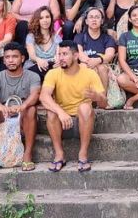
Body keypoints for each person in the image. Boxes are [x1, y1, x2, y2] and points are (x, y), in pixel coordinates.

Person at [40, 41, 106, 173]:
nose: (61, 58)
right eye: (59, 54)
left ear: (76, 56)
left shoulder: (89, 73)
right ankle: (59, 155)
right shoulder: (53, 73)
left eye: (65, 54)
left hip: (84, 120)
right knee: (51, 111)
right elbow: (43, 96)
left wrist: (97, 97)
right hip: (62, 122)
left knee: (85, 107)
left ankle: (83, 155)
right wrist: (60, 112)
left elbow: (104, 103)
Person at [0, 42, 41, 172]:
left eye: (14, 57)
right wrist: (0, 106)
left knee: (31, 109)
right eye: (7, 57)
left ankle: (27, 155)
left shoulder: (32, 76)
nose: (10, 60)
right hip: (4, 115)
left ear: (22, 58)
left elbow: (35, 94)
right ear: (3, 60)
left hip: (23, 117)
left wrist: (23, 106)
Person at [73, 7, 116, 90]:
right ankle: (87, 99)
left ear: (102, 21)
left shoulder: (107, 38)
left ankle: (103, 98)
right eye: (91, 17)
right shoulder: (80, 37)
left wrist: (97, 61)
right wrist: (91, 63)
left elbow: (110, 55)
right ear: (86, 21)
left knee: (102, 68)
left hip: (102, 65)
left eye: (97, 17)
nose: (94, 20)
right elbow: (79, 53)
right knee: (84, 66)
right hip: (86, 64)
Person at [25, 6, 61, 80]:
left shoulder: (57, 38)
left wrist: (57, 62)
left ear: (51, 19)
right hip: (35, 65)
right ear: (37, 20)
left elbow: (58, 56)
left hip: (51, 66)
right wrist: (39, 60)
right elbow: (32, 56)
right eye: (41, 18)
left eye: (47, 17)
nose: (45, 20)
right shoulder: (31, 37)